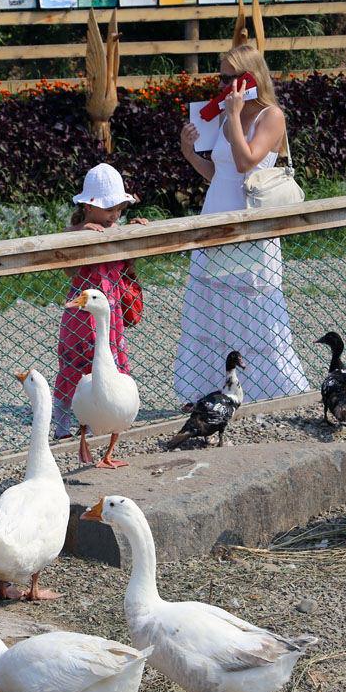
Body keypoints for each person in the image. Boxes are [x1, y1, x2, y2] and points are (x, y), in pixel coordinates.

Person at [176, 44, 309, 403]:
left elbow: (246, 162)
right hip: (215, 217)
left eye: (230, 77)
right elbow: (219, 174)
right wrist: (190, 153)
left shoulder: (271, 116)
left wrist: (234, 117)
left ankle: (273, 391)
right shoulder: (223, 115)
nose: (223, 84)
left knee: (254, 307)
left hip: (250, 226)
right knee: (213, 308)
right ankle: (212, 391)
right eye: (221, 77)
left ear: (250, 77)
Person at [53, 163, 149, 440]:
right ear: (89, 207)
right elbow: (66, 263)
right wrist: (81, 233)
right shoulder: (78, 232)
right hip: (81, 320)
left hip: (111, 315)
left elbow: (128, 264)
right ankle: (62, 424)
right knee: (74, 368)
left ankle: (110, 417)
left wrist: (134, 233)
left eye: (119, 209)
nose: (115, 215)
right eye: (110, 210)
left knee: (111, 367)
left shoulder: (116, 230)